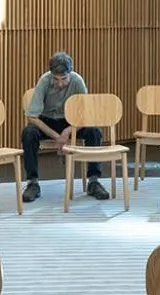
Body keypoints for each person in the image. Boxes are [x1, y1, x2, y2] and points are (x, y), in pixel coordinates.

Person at [19, 51, 108, 202]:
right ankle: (32, 183)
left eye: (64, 79)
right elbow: (32, 116)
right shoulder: (44, 81)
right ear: (51, 74)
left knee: (94, 132)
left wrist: (67, 131)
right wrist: (57, 137)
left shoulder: (77, 81)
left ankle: (93, 181)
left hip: (71, 122)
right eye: (56, 79)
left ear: (70, 73)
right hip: (47, 121)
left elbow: (86, 115)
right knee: (28, 133)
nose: (60, 83)